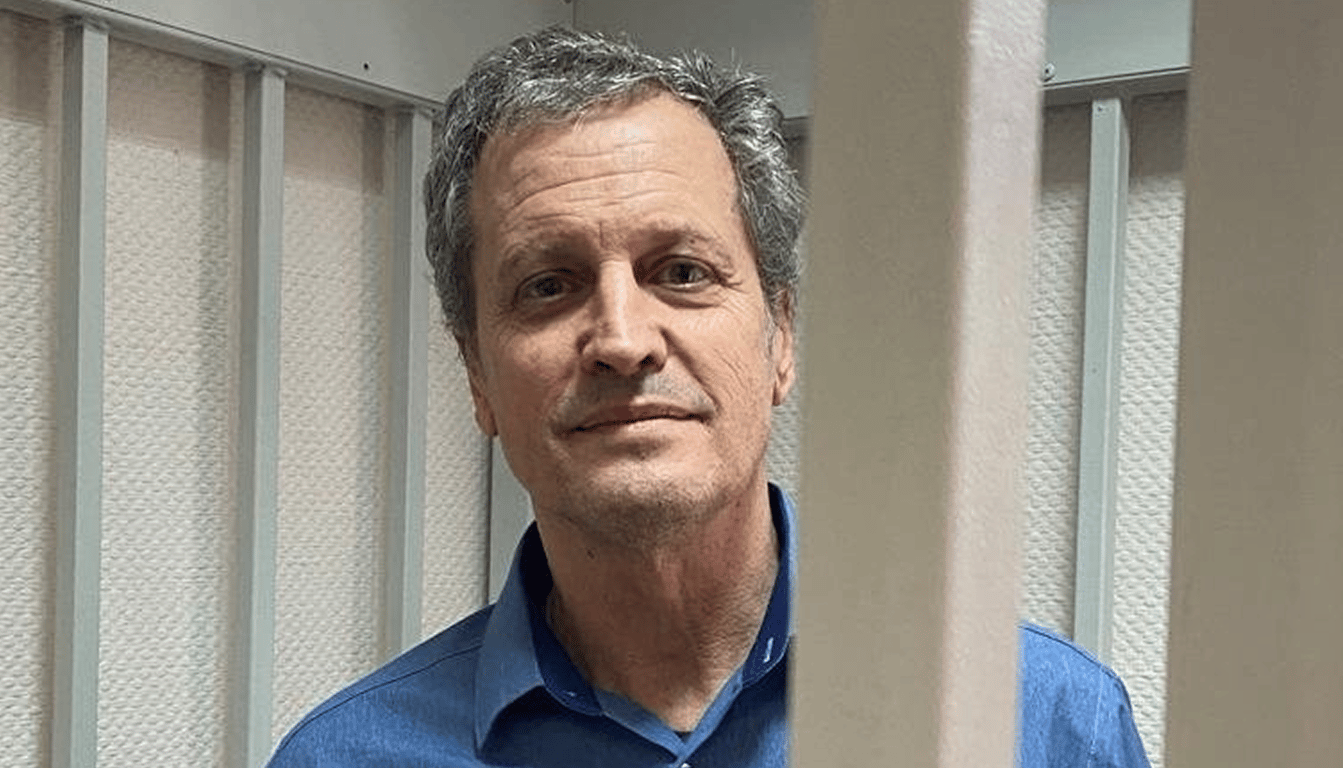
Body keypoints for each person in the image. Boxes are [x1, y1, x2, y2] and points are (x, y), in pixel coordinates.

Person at [267, 26, 1150, 768]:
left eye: (682, 272)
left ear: (781, 337)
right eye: (547, 285)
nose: (622, 338)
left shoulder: (1044, 727)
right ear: (476, 375)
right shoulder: (345, 758)